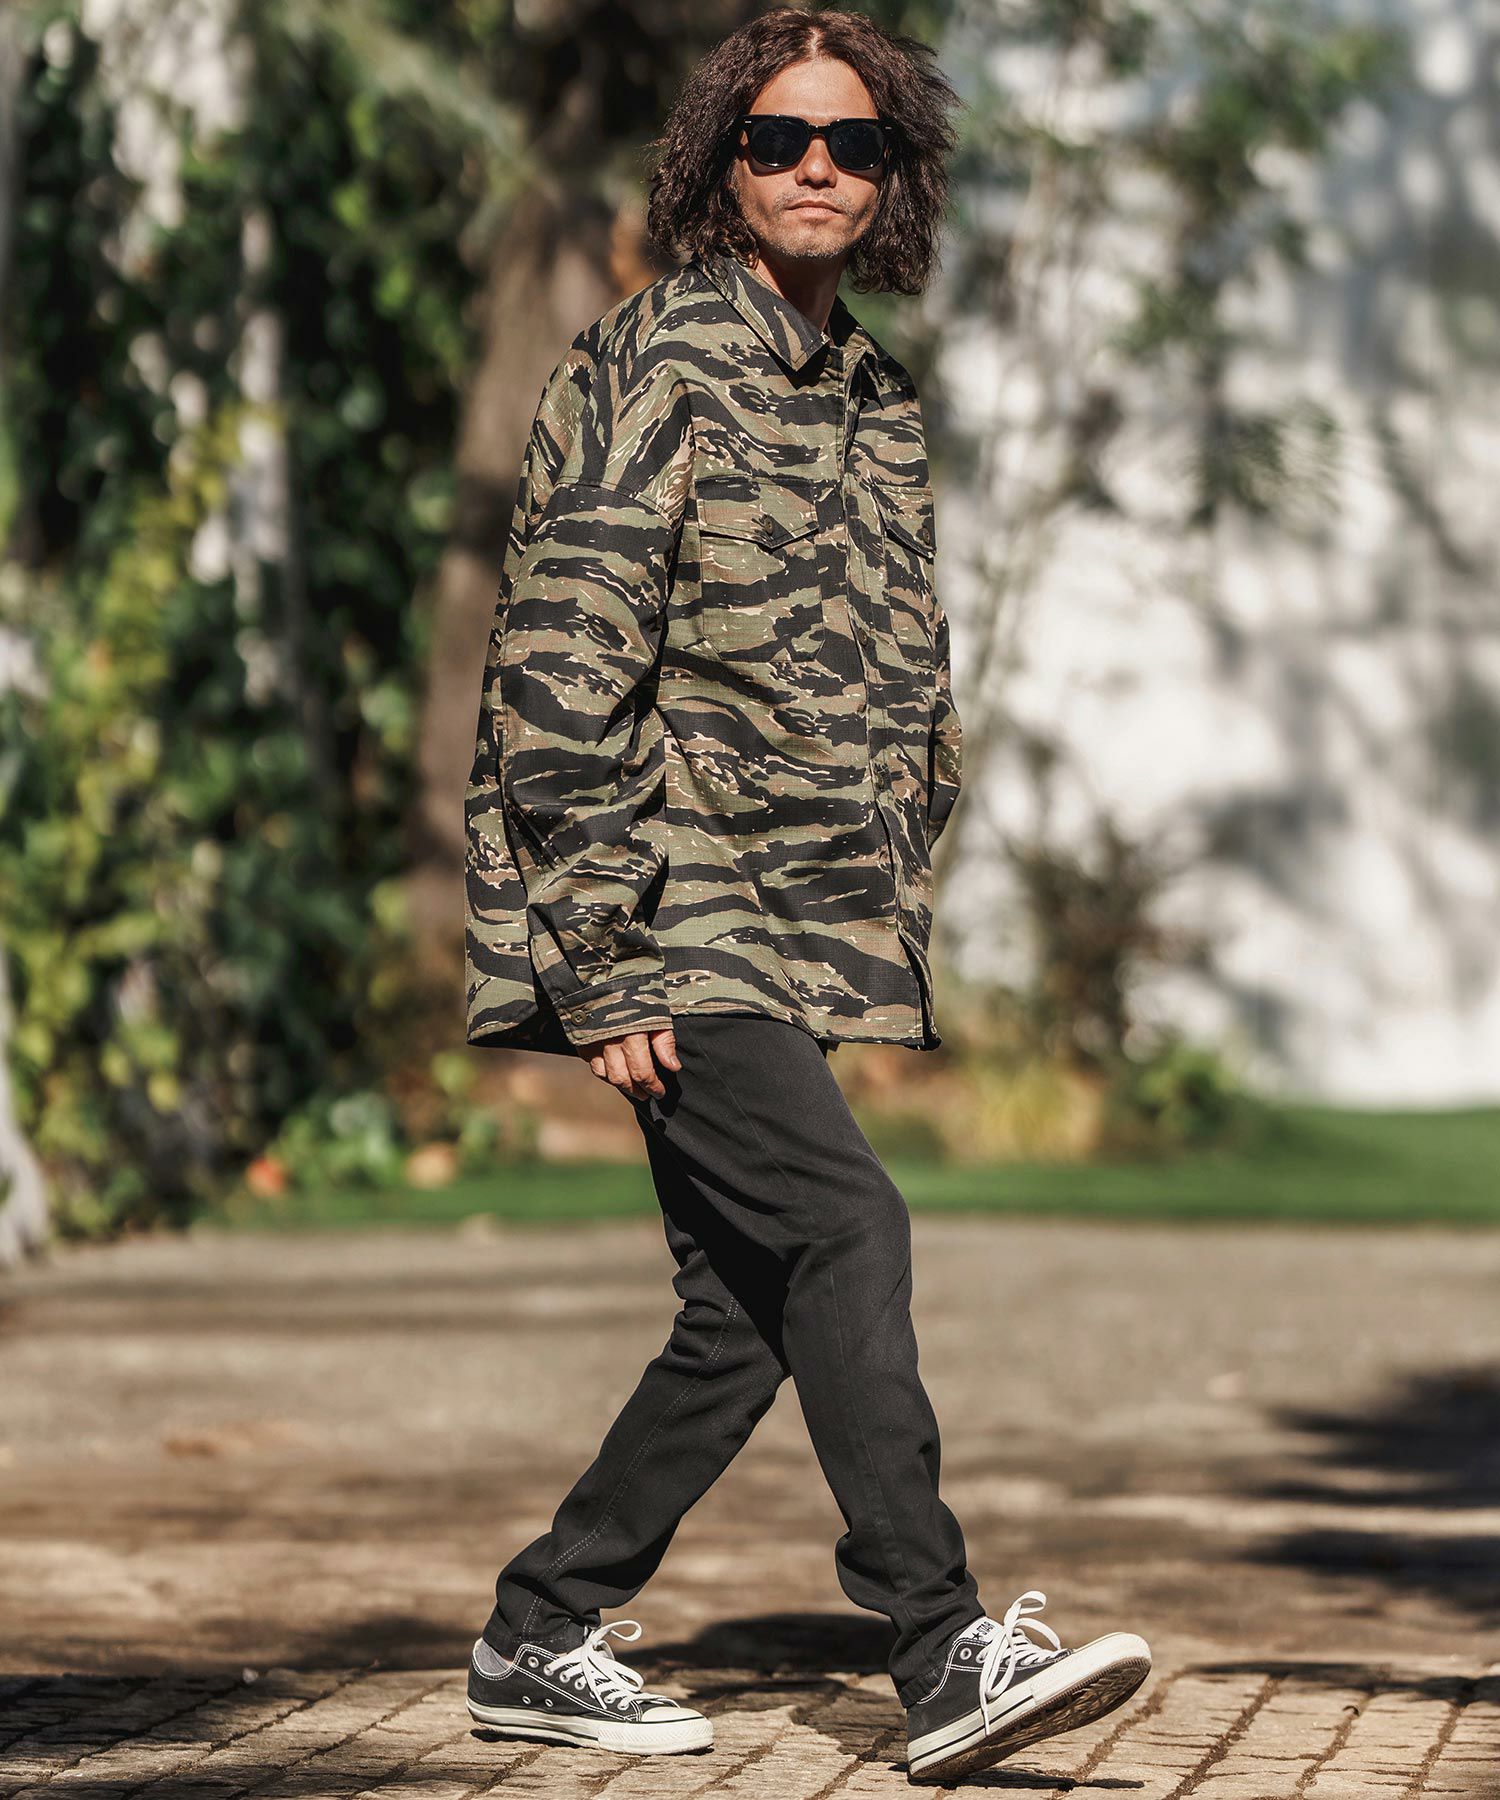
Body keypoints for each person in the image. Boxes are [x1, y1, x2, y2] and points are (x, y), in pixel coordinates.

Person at [459, 7, 1151, 1783]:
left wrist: (903, 858)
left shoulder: (872, 395)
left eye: (854, 141)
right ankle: (940, 1646)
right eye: (780, 139)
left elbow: (895, 668)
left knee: (747, 1309)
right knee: (849, 1228)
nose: (818, 167)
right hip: (670, 897)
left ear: (896, 174)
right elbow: (558, 665)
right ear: (726, 163)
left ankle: (541, 1626)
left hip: (797, 918)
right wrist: (605, 952)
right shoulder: (656, 359)